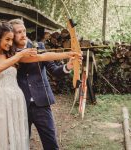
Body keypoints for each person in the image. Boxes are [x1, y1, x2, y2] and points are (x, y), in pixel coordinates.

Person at [0, 22, 79, 150]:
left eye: (24, 31)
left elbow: (42, 57)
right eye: (8, 39)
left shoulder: (13, 53)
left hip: (20, 101)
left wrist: (69, 54)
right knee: (3, 139)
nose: (10, 43)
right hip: (1, 101)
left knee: (22, 141)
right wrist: (19, 55)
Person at [8, 19, 81, 150]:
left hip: (41, 102)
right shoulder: (8, 51)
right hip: (19, 103)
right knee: (21, 143)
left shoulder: (39, 46)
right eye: (18, 32)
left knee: (50, 142)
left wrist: (69, 66)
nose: (23, 34)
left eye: (24, 30)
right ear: (11, 35)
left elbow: (55, 70)